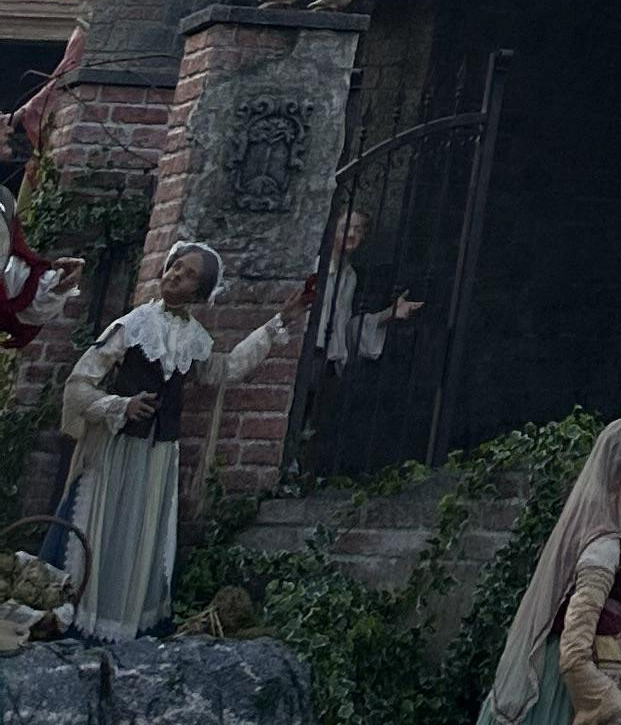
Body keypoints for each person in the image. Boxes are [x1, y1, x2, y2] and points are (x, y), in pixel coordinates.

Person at [60, 241, 300, 635]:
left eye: (189, 275)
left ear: (200, 292)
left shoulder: (195, 339)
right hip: (116, 451)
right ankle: (82, 618)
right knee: (100, 529)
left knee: (140, 536)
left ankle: (125, 627)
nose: (176, 275)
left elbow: (226, 369)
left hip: (157, 456)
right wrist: (120, 405)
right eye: (175, 267)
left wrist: (277, 323)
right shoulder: (133, 325)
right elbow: (79, 385)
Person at [473, 413, 621, 725]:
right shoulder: (602, 546)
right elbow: (575, 649)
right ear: (620, 465)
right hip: (563, 689)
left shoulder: (603, 537)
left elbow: (594, 622)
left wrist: (616, 657)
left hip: (575, 681)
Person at [302, 204, 425, 474]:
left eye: (359, 229)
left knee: (314, 429)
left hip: (330, 363)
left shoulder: (350, 276)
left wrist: (388, 314)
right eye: (347, 226)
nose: (353, 234)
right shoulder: (313, 266)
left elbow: (344, 329)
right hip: (307, 355)